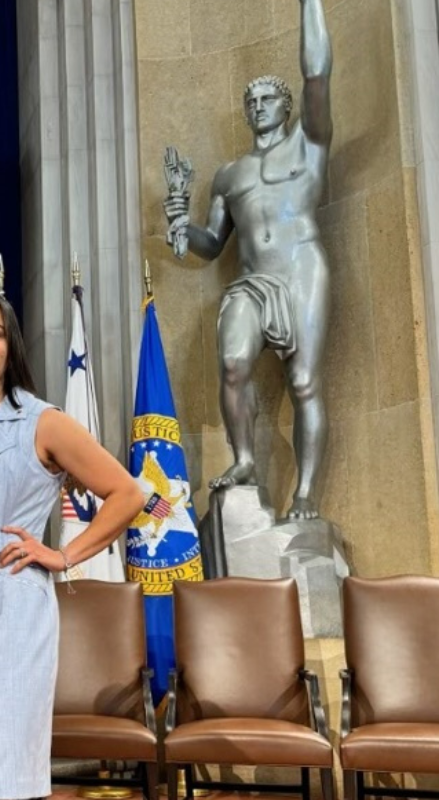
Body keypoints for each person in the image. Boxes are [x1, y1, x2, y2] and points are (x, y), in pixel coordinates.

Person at [0, 291, 141, 799]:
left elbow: (127, 493)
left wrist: (63, 554)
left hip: (15, 605)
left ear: (10, 345)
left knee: (8, 767)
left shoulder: (45, 422)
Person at [162, 0, 333, 518]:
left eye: (266, 98)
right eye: (250, 100)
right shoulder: (229, 174)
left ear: (286, 106)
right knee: (233, 365)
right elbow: (214, 242)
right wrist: (180, 226)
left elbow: (318, 72)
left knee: (304, 382)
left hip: (300, 268)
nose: (257, 105)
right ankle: (244, 460)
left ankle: (304, 494)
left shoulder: (309, 145)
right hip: (251, 280)